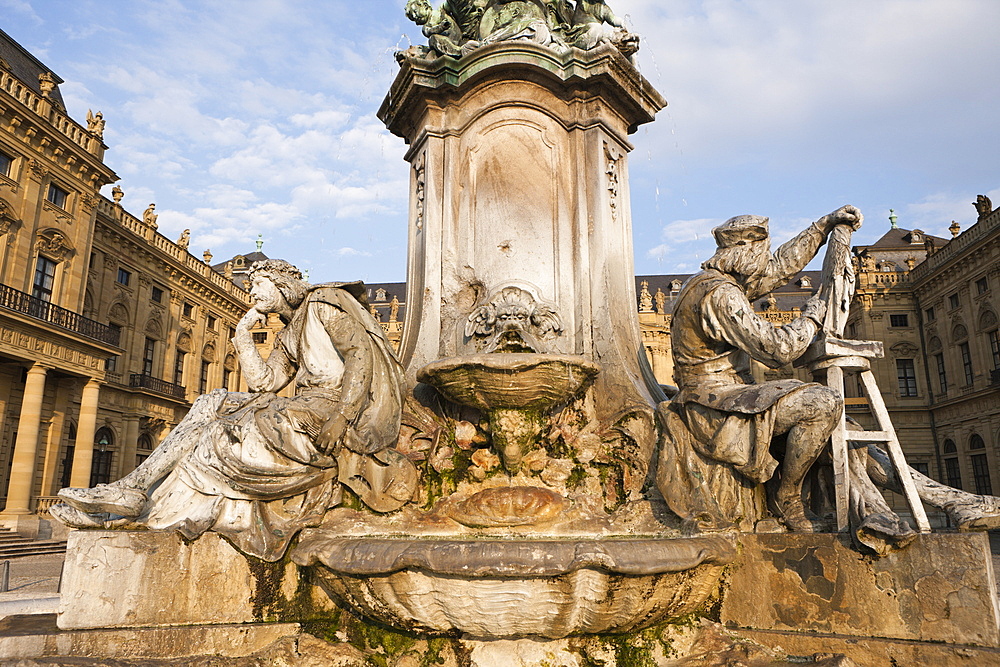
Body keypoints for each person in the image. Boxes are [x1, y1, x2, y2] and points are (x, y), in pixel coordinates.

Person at [52, 260, 416, 561]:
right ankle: (131, 490)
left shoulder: (323, 303)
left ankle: (139, 498)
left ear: (281, 284)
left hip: (333, 407)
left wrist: (342, 417)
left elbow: (359, 356)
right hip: (302, 404)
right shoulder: (289, 332)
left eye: (257, 286)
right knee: (211, 401)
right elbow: (265, 382)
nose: (252, 294)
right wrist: (242, 334)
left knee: (216, 435)